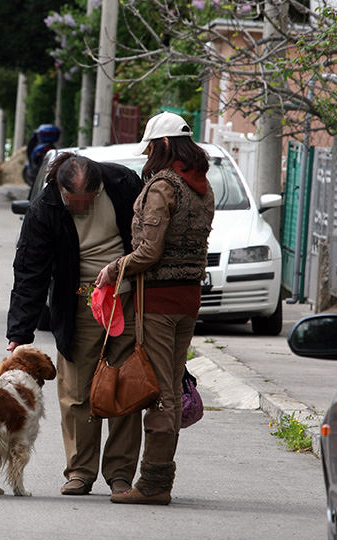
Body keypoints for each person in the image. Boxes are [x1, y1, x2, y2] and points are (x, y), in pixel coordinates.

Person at [7, 152, 143, 496]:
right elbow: (30, 273)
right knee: (77, 388)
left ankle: (121, 473)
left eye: (88, 200)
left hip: (125, 297)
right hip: (78, 302)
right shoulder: (44, 209)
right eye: (73, 202)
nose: (80, 208)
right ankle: (81, 471)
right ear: (59, 190)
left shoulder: (123, 184)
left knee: (126, 385)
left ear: (99, 188)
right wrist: (19, 334)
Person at [96, 112, 215, 505]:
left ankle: (154, 484)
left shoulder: (164, 187)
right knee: (172, 387)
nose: (147, 153)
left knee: (163, 393)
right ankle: (156, 480)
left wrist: (114, 268)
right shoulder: (203, 185)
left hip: (159, 303)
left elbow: (149, 250)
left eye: (150, 146)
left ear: (162, 145)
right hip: (189, 299)